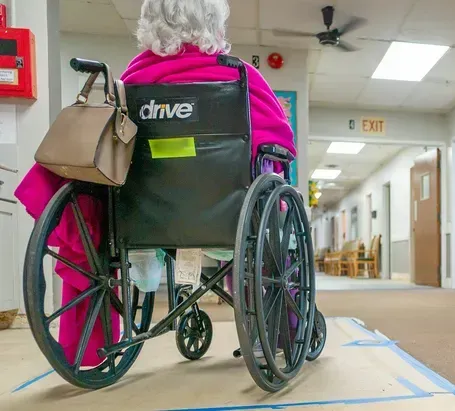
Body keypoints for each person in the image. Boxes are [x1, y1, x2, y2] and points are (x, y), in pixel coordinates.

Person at [15, 0, 295, 365]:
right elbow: (279, 145)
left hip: (144, 219)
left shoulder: (129, 84)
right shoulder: (239, 77)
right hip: (229, 219)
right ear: (213, 25)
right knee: (270, 205)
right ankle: (272, 326)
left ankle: (141, 268)